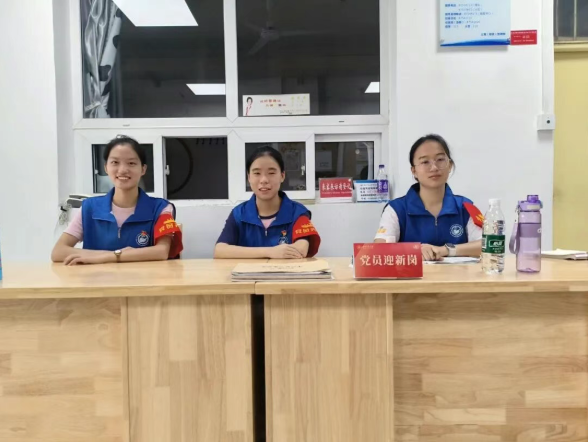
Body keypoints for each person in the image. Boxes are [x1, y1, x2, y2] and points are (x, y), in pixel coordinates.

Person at [51, 136, 183, 265]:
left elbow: (161, 251)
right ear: (106, 167)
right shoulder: (88, 208)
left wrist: (109, 257)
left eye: (131, 163)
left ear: (143, 169)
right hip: (96, 278)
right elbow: (58, 252)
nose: (123, 170)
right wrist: (112, 256)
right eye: (115, 162)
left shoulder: (161, 208)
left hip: (143, 279)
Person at [374, 134, 483, 261]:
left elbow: (488, 244)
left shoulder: (466, 207)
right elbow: (379, 248)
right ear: (414, 171)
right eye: (425, 162)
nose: (434, 167)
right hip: (411, 274)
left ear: (450, 165)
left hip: (457, 274)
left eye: (440, 159)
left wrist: (446, 250)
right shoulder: (396, 209)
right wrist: (415, 250)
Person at [215, 146, 320, 259]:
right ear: (249, 177)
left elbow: (301, 249)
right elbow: (219, 250)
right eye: (257, 173)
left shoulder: (297, 212)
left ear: (282, 176)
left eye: (271, 173)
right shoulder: (239, 214)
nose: (264, 180)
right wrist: (269, 252)